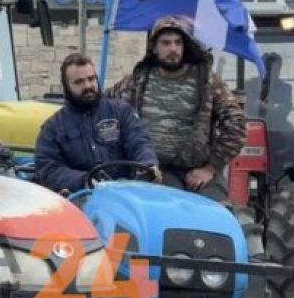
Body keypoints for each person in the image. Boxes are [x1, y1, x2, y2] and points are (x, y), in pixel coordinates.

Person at [107, 15, 246, 201]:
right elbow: (101, 107)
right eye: (165, 43)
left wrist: (210, 168)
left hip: (200, 171)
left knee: (218, 215)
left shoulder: (206, 81)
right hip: (154, 172)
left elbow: (236, 124)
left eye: (177, 43)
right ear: (154, 48)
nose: (172, 49)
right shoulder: (137, 81)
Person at [35, 53, 160, 195]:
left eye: (91, 78)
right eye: (79, 82)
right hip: (83, 200)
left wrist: (148, 166)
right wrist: (84, 180)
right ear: (66, 87)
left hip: (128, 196)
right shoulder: (53, 128)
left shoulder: (121, 111)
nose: (88, 86)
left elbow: (139, 142)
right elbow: (48, 169)